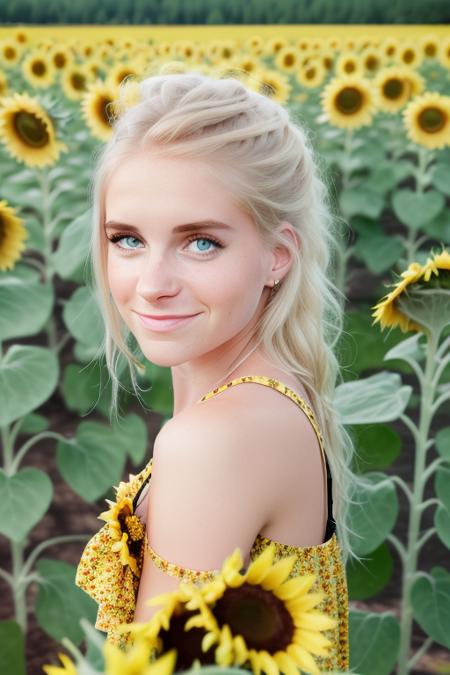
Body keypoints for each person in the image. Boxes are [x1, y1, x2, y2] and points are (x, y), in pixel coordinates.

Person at [76, 66, 362, 671]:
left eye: (200, 242)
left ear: (276, 257)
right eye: (127, 239)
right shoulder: (270, 392)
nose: (152, 285)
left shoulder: (216, 439)